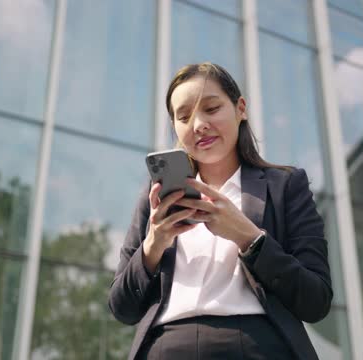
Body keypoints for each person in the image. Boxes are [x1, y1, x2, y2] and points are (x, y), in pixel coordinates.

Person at [108, 62, 332, 360]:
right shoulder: (159, 195)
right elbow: (122, 307)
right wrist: (153, 245)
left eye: (211, 109)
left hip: (258, 348)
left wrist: (250, 240)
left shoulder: (287, 186)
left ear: (241, 108)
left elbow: (315, 301)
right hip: (165, 348)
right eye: (184, 116)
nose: (198, 124)